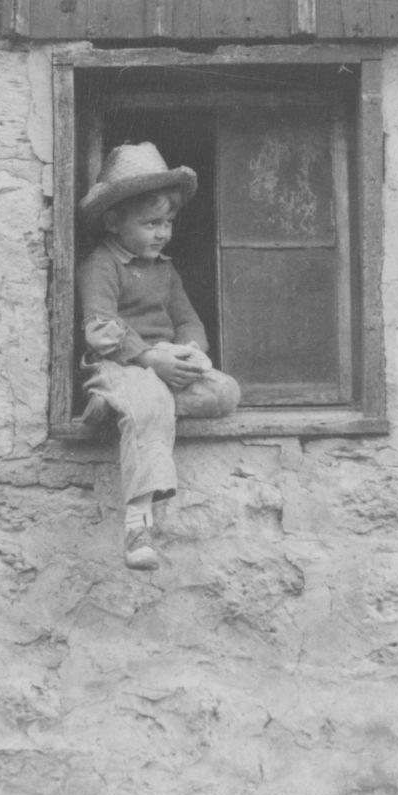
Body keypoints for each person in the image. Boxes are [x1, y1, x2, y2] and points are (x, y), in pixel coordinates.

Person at [76, 143, 241, 570]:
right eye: (150, 223)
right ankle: (137, 527)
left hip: (161, 366)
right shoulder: (101, 265)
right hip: (118, 362)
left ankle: (115, 409)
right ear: (114, 221)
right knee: (147, 397)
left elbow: (188, 321)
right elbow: (101, 328)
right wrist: (149, 359)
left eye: (167, 222)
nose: (161, 233)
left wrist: (189, 353)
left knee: (225, 393)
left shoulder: (164, 270)